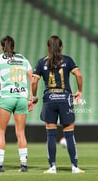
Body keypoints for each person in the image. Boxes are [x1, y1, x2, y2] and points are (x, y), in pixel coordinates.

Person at [31, 35, 84, 174]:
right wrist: (79, 91)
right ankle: (75, 167)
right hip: (65, 97)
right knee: (69, 134)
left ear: (48, 48)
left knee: (51, 135)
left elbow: (34, 81)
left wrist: (34, 96)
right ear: (61, 47)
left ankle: (52, 167)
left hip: (50, 98)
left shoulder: (41, 62)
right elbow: (78, 75)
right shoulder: (67, 60)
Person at [0, 35, 33, 173]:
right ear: (13, 46)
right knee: (21, 132)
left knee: (0, 132)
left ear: (1, 47)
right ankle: (24, 164)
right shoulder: (23, 59)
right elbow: (33, 79)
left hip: (6, 97)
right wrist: (32, 97)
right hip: (21, 97)